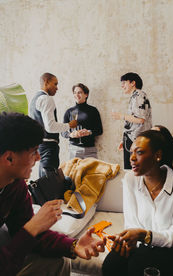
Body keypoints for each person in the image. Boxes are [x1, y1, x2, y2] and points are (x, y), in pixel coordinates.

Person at [0, 112, 106, 276]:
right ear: (9, 158)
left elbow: (30, 232)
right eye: (34, 151)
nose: (38, 157)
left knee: (59, 260)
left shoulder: (16, 185)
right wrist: (33, 226)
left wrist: (73, 245)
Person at [102, 130, 173, 276]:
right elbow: (131, 224)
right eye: (131, 153)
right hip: (147, 246)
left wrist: (144, 235)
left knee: (139, 265)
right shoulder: (130, 180)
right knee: (111, 265)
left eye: (139, 152)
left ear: (158, 155)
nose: (132, 158)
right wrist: (126, 240)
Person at [30, 73, 77, 177]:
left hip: (40, 146)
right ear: (46, 82)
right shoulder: (46, 99)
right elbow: (50, 127)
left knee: (44, 179)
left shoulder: (34, 99)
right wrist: (69, 125)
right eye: (55, 84)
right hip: (48, 146)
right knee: (50, 182)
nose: (57, 88)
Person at [111, 72, 152, 169]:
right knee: (133, 171)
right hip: (133, 139)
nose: (122, 86)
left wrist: (121, 116)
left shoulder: (138, 95)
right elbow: (136, 120)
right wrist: (125, 138)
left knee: (133, 172)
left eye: (124, 82)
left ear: (133, 83)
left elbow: (140, 119)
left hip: (137, 140)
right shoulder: (136, 96)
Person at [62, 83, 103, 159]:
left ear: (86, 94)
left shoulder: (93, 110)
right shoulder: (69, 112)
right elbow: (62, 132)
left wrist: (89, 132)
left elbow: (99, 130)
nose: (77, 95)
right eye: (75, 93)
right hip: (74, 150)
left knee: (93, 171)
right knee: (75, 171)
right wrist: (71, 135)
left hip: (90, 150)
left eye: (79, 92)